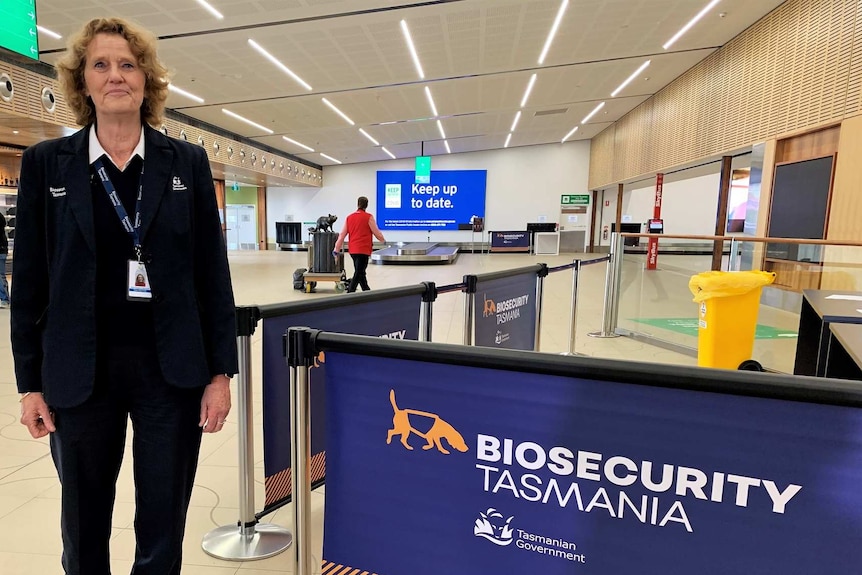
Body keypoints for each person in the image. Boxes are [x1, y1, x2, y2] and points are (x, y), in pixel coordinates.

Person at [11, 17, 237, 575]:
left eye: (128, 64)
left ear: (148, 80)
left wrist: (220, 374)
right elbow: (30, 282)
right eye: (101, 65)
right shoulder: (47, 165)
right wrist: (29, 384)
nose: (116, 75)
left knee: (164, 514)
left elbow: (212, 274)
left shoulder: (185, 163)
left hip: (171, 371)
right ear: (82, 82)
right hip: (79, 375)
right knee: (83, 517)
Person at [333, 196, 386, 292]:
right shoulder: (368, 217)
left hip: (353, 250)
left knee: (360, 271)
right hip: (364, 250)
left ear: (357, 204)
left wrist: (336, 250)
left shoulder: (349, 218)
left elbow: (342, 235)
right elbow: (376, 232)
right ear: (366, 205)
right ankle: (351, 292)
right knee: (359, 271)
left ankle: (366, 290)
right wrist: (383, 240)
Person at [0, 210, 8, 308]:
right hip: (2, 250)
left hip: (0, 251)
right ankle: (5, 298)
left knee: (0, 276)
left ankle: (5, 298)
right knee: (2, 276)